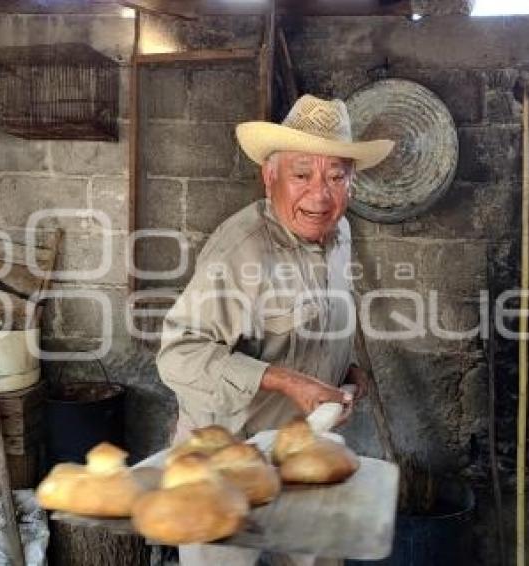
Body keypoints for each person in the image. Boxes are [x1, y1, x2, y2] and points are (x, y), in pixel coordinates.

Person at [155, 94, 394, 566]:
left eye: (336, 177)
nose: (320, 194)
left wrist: (343, 366)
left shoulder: (338, 234)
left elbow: (316, 319)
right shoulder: (240, 251)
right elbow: (177, 355)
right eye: (302, 175)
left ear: (352, 183)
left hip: (301, 450)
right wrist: (286, 380)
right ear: (270, 176)